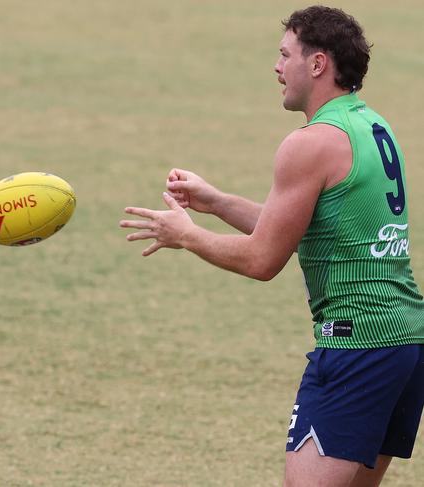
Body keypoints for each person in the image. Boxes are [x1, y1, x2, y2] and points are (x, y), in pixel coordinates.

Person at [120, 5, 424, 486]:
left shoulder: (310, 142)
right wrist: (216, 202)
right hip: (404, 344)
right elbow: (298, 231)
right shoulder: (371, 125)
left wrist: (187, 236)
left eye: (285, 55)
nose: (277, 67)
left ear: (318, 63)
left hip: (356, 345)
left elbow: (264, 260)